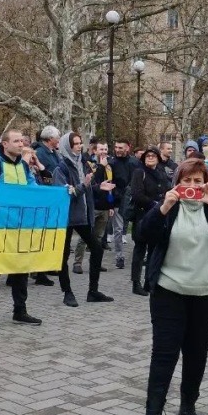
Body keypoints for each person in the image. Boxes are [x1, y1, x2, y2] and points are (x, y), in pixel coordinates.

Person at [134, 158, 208, 415]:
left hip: (207, 294)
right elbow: (143, 234)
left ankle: (188, 411)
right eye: (187, 180)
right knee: (164, 357)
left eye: (198, 181)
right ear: (177, 182)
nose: (192, 187)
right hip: (169, 292)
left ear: (207, 182)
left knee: (196, 355)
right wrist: (163, 207)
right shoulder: (167, 207)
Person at [0, 131, 41, 328]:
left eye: (22, 141)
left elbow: (32, 188)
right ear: (5, 144)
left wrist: (57, 193)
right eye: (16, 141)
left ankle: (20, 311)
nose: (21, 144)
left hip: (20, 227)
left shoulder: (23, 165)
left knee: (21, 269)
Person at [53, 132, 113, 308]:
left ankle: (93, 291)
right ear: (67, 146)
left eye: (80, 143)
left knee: (97, 249)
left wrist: (97, 187)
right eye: (75, 144)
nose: (79, 146)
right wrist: (85, 185)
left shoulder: (82, 164)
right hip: (67, 218)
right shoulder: (61, 168)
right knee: (62, 257)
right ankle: (67, 292)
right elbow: (64, 195)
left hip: (82, 216)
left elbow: (85, 188)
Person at [129, 147, 169, 296]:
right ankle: (135, 282)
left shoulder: (161, 174)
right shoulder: (139, 172)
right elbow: (137, 194)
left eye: (153, 156)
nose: (150, 158)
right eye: (148, 156)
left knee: (153, 249)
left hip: (157, 216)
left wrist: (163, 203)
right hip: (142, 215)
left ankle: (149, 281)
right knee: (140, 249)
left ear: (158, 158)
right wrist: (154, 204)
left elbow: (166, 191)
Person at [73, 143, 117, 275]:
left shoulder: (109, 166)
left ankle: (96, 262)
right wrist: (100, 167)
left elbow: (110, 186)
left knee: (98, 237)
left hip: (104, 206)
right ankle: (77, 263)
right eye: (101, 149)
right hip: (92, 206)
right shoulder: (90, 165)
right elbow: (92, 183)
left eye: (105, 149)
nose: (103, 152)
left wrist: (111, 205)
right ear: (95, 151)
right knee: (85, 236)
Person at [110, 139, 140, 270]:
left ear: (128, 148)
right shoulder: (111, 163)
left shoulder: (135, 163)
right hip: (117, 199)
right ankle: (119, 256)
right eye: (116, 147)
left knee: (137, 229)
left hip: (132, 200)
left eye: (120, 148)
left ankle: (139, 254)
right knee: (118, 230)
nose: (117, 150)